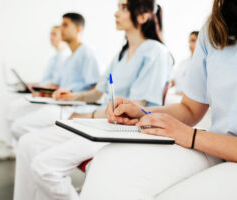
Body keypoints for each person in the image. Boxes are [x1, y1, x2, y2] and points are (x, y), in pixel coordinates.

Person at [80, 0, 237, 199]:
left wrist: (190, 136)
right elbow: (190, 109)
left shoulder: (154, 51)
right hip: (216, 146)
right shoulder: (216, 26)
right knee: (109, 163)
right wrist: (143, 112)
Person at [13, 0, 174, 199]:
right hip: (100, 122)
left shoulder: (155, 52)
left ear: (143, 16)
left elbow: (135, 107)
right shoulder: (121, 54)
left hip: (124, 130)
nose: (116, 13)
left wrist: (85, 114)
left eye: (123, 8)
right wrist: (74, 96)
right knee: (27, 143)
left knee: (44, 166)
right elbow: (98, 91)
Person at [0, 13, 101, 160]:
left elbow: (96, 88)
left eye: (65, 25)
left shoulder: (86, 52)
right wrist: (41, 90)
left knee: (19, 127)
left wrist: (75, 98)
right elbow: (58, 84)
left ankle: (28, 151)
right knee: (15, 118)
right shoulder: (69, 58)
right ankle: (26, 151)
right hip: (58, 102)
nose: (61, 29)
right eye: (61, 25)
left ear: (78, 29)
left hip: (71, 107)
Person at [0, 25, 70, 160]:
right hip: (43, 92)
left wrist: (40, 88)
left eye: (54, 34)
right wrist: (34, 84)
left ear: (63, 35)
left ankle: (11, 146)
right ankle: (8, 143)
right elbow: (49, 80)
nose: (51, 37)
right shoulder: (55, 57)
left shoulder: (65, 56)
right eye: (50, 34)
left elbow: (59, 84)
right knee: (9, 106)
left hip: (52, 98)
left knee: (13, 109)